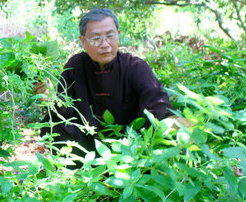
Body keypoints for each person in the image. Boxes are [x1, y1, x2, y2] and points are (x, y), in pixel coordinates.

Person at [37, 8, 180, 154]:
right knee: (53, 125)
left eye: (110, 36)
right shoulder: (75, 66)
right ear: (83, 41)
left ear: (118, 36)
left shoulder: (136, 67)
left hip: (130, 149)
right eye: (95, 39)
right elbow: (65, 112)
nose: (105, 44)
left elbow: (158, 106)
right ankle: (71, 170)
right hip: (87, 148)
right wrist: (51, 99)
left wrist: (180, 125)